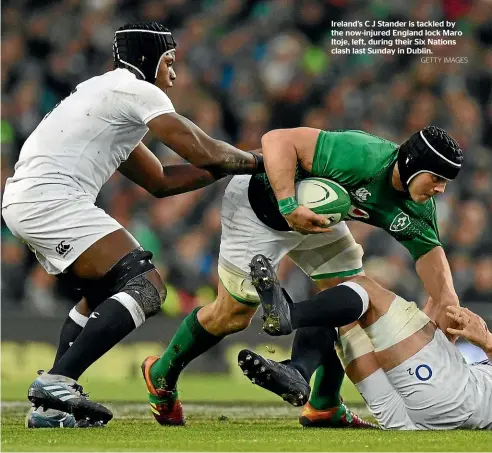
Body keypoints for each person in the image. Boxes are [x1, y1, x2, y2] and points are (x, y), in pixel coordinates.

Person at [1, 21, 264, 428]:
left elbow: (159, 181)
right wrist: (261, 160)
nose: (174, 74)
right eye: (170, 62)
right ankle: (59, 381)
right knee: (147, 286)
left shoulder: (105, 94)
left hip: (28, 199)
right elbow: (204, 149)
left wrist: (227, 168)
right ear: (149, 59)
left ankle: (50, 407)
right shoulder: (137, 90)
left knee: (98, 295)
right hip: (50, 199)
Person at [141, 125, 462, 427]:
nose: (441, 188)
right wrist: (288, 203)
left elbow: (430, 256)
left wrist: (448, 302)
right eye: (436, 177)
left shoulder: (420, 207)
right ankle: (161, 374)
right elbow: (277, 140)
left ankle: (325, 403)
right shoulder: (363, 155)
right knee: (233, 316)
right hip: (261, 205)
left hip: (317, 215)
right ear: (410, 164)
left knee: (349, 296)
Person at [240, 258, 492, 430]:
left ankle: (289, 316)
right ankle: (300, 375)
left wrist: (487, 342)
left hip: (456, 399)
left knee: (363, 289)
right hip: (406, 420)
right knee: (335, 310)